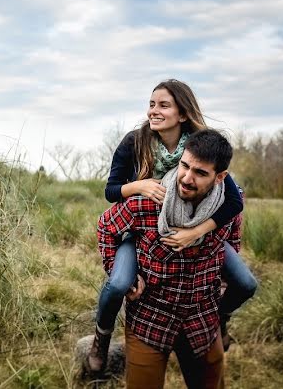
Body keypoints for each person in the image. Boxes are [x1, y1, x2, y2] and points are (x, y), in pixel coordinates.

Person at [86, 80, 257, 375]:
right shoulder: (134, 141)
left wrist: (197, 231)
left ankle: (222, 318)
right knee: (117, 284)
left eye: (163, 105)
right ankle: (101, 337)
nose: (154, 111)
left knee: (245, 282)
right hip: (140, 228)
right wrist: (140, 185)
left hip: (197, 226)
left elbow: (234, 201)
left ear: (182, 113)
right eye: (151, 104)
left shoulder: (198, 146)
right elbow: (111, 191)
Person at [99, 129, 237, 388]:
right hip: (150, 320)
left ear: (220, 177)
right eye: (185, 165)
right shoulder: (146, 203)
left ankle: (224, 323)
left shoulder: (227, 209)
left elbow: (233, 239)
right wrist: (122, 275)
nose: (187, 177)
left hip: (203, 320)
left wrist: (223, 279)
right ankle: (99, 341)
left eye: (200, 173)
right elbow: (106, 227)